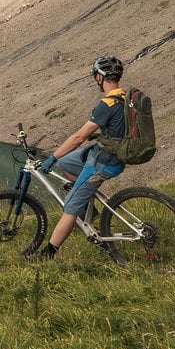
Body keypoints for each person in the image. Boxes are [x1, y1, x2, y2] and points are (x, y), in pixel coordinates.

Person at [29, 55, 128, 261]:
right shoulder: (126, 98)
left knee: (69, 207)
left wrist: (52, 158)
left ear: (100, 77)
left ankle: (48, 254)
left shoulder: (108, 103)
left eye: (96, 77)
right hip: (111, 152)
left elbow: (78, 138)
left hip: (103, 162)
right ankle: (88, 204)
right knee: (67, 163)